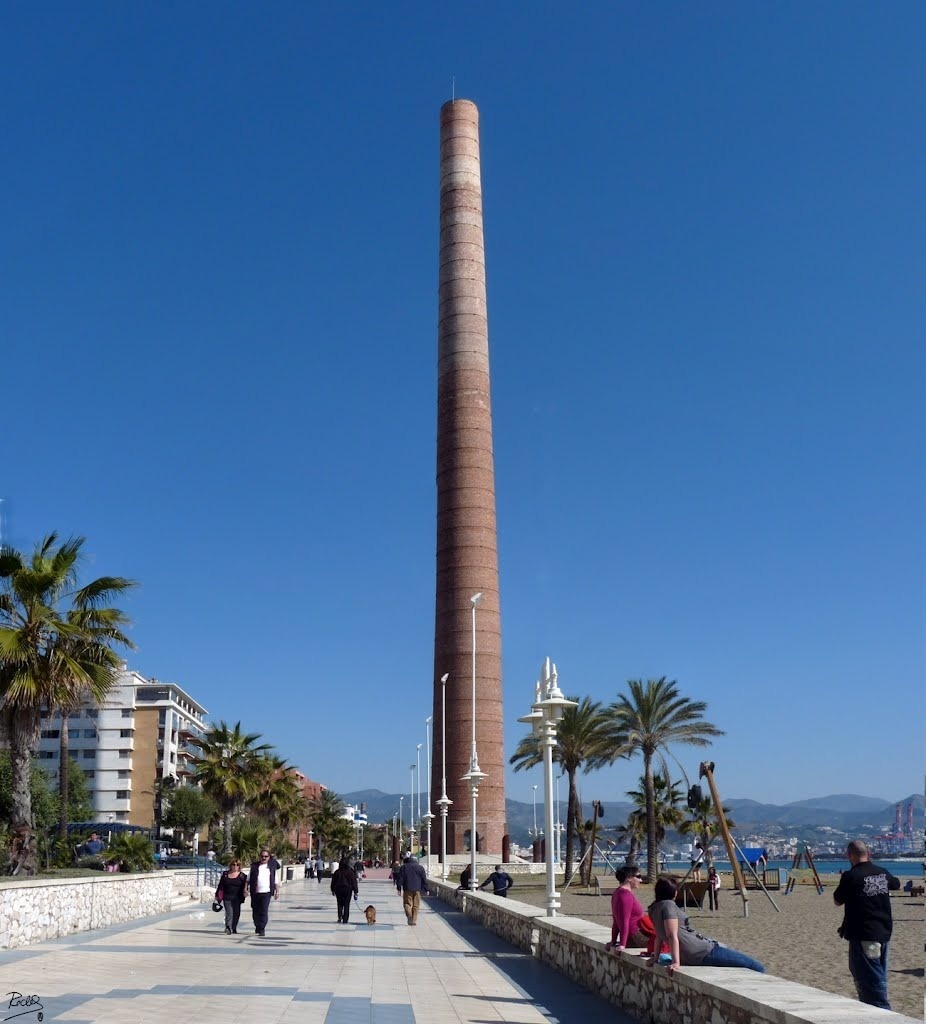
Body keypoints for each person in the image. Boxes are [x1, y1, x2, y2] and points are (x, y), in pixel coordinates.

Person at [833, 839, 900, 1010]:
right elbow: (896, 884)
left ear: (849, 856)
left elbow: (837, 900)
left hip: (863, 933)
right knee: (879, 975)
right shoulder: (882, 872)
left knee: (870, 981)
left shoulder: (850, 876)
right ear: (868, 854)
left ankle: (883, 1014)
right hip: (884, 932)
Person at [648, 876, 765, 973]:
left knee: (727, 949)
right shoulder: (668, 905)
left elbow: (659, 935)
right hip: (700, 952)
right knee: (756, 966)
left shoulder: (653, 908)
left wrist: (655, 957)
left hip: (696, 950)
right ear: (674, 892)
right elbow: (671, 935)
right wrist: (676, 962)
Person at [605, 866, 651, 953]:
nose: (640, 880)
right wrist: (622, 944)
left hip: (631, 937)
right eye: (638, 877)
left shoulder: (617, 893)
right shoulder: (626, 896)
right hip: (636, 937)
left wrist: (613, 941)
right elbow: (624, 921)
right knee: (665, 939)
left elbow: (616, 920)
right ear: (629, 878)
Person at [248, 848, 280, 936]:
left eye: (266, 856)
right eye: (262, 856)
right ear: (259, 857)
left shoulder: (271, 868)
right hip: (255, 892)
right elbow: (248, 879)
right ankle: (257, 926)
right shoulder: (254, 866)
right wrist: (245, 889)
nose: (264, 858)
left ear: (269, 857)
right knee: (255, 911)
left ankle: (262, 928)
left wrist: (277, 892)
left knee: (263, 911)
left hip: (266, 892)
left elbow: (276, 881)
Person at [216, 858, 248, 934]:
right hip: (227, 897)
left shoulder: (242, 876)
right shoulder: (225, 874)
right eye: (233, 864)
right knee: (229, 912)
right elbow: (220, 885)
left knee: (236, 913)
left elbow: (246, 886)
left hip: (237, 897)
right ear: (230, 865)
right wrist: (217, 895)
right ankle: (228, 927)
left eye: (237, 865)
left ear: (240, 866)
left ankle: (234, 927)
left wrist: (245, 891)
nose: (235, 866)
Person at [399, 854, 430, 925]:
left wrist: (399, 888)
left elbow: (400, 879)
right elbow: (424, 880)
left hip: (407, 888)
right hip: (417, 889)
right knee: (416, 905)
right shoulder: (420, 868)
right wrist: (427, 889)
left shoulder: (403, 867)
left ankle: (409, 915)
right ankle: (413, 920)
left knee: (407, 903)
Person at [331, 857, 359, 924]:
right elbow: (354, 882)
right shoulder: (351, 872)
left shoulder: (337, 872)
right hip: (348, 889)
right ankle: (345, 919)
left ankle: (340, 917)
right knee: (346, 904)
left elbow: (333, 881)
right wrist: (355, 891)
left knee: (340, 904)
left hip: (338, 889)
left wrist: (333, 890)